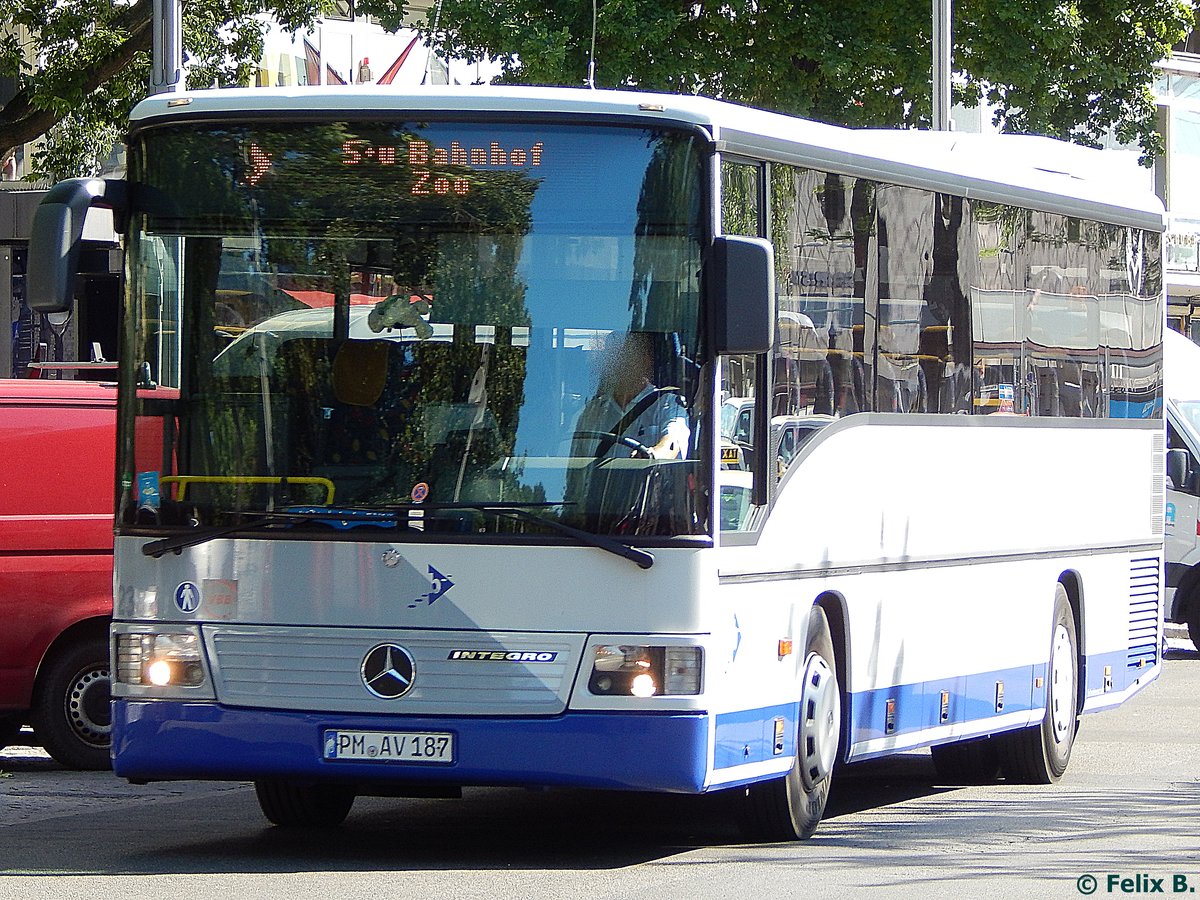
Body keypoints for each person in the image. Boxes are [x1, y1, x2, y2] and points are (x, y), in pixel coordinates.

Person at [570, 332, 690, 461]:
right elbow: (566, 459)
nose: (615, 364)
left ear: (645, 361)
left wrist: (653, 454)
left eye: (623, 356)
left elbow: (673, 441)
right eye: (611, 357)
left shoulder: (667, 404)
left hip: (646, 480)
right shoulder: (591, 411)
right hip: (593, 481)